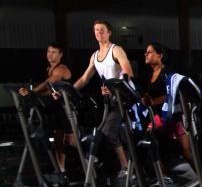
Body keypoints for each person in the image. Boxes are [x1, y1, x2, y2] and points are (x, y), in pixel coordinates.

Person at [71, 20, 134, 178]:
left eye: (102, 30)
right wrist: (69, 91)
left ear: (109, 32)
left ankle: (126, 167)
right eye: (96, 30)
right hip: (109, 98)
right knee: (100, 131)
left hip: (123, 96)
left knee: (107, 131)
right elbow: (84, 79)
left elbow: (128, 73)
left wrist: (114, 88)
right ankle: (105, 161)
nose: (99, 33)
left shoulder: (116, 50)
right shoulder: (95, 56)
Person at [18, 43, 73, 176]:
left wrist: (32, 92)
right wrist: (31, 94)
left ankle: (92, 156)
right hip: (58, 109)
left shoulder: (62, 68)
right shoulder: (49, 68)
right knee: (58, 141)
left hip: (69, 108)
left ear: (60, 55)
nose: (50, 54)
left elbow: (50, 82)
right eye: (49, 51)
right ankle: (61, 170)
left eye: (54, 52)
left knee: (70, 142)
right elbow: (49, 91)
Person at [141, 42, 193, 166]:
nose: (146, 54)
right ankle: (162, 173)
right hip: (159, 116)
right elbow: (150, 95)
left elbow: (171, 95)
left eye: (149, 52)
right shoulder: (150, 74)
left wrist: (153, 101)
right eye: (146, 52)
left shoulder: (167, 73)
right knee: (151, 140)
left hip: (172, 116)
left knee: (186, 150)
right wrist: (145, 99)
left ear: (160, 55)